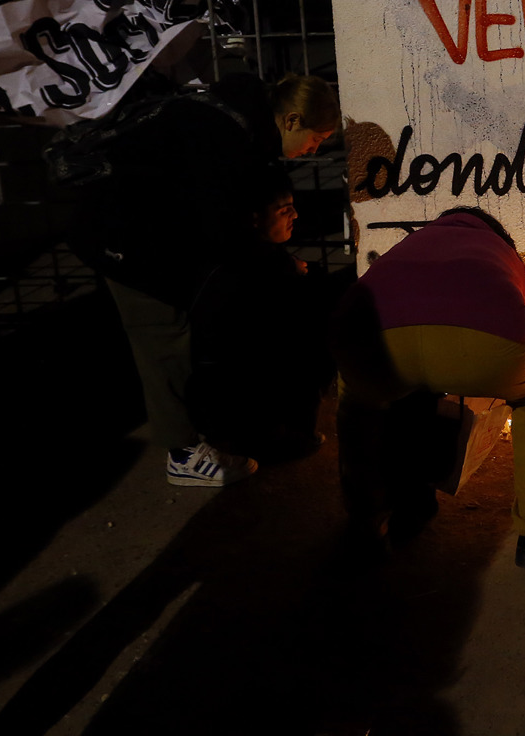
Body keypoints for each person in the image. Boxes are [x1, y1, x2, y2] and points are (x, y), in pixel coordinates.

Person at [75, 71, 338, 487]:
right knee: (162, 332)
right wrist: (278, 266)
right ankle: (182, 454)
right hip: (121, 233)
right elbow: (221, 228)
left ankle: (213, 429)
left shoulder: (237, 120)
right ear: (291, 121)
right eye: (316, 138)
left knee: (188, 325)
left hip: (148, 229)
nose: (312, 148)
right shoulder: (220, 134)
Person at [332, 209, 525, 566]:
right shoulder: (501, 252)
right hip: (488, 339)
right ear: (499, 235)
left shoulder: (410, 244)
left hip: (371, 337)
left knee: (359, 405)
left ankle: (368, 523)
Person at [187, 168, 341, 464]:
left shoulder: (234, 255)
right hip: (239, 391)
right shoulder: (259, 269)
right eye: (284, 211)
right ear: (254, 217)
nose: (295, 215)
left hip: (218, 390)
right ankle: (286, 435)